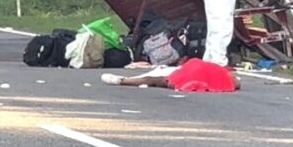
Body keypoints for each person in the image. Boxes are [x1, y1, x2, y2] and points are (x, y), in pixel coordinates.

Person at [100, 58, 240, 92]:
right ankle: (123, 80)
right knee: (158, 80)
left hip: (192, 69)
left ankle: (123, 80)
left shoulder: (222, 71)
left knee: (157, 79)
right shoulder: (227, 79)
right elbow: (236, 83)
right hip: (192, 71)